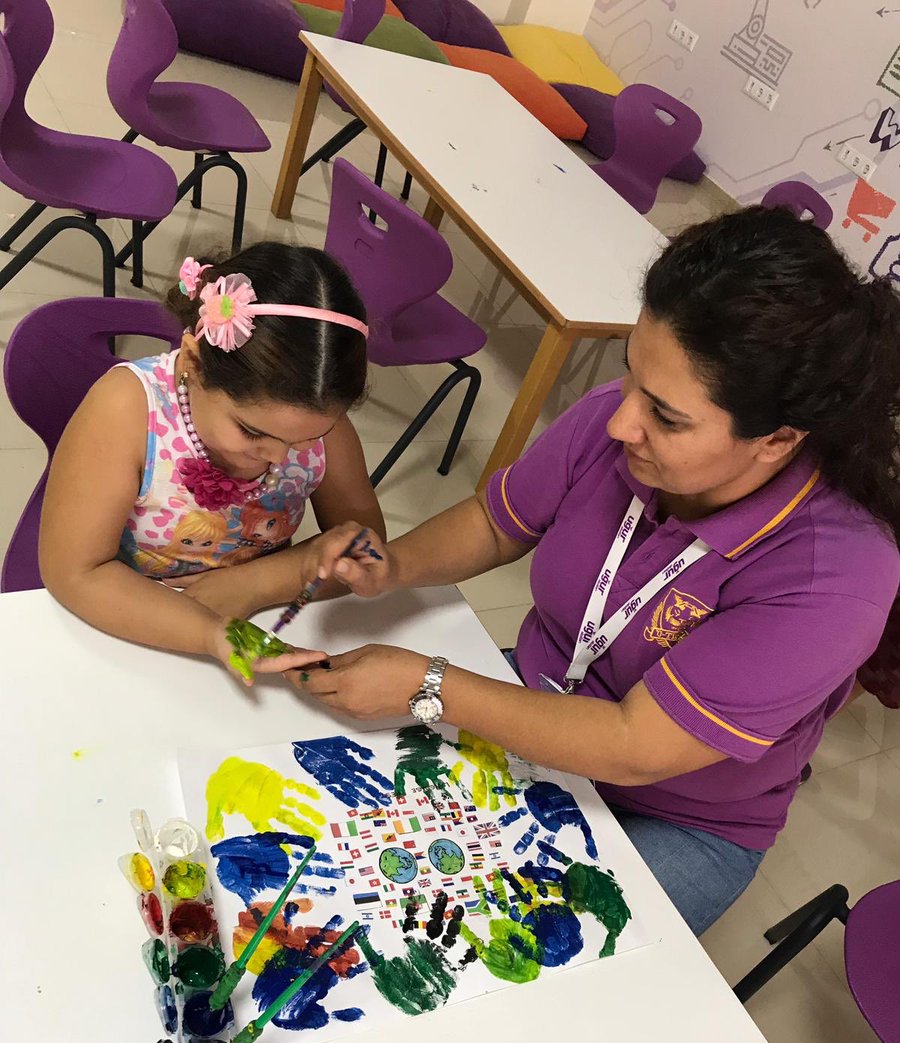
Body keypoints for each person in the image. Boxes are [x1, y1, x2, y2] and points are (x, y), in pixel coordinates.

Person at [264, 207, 900, 935]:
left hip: (673, 814)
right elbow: (496, 523)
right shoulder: (617, 424)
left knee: (491, 949)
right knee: (351, 861)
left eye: (666, 416)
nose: (622, 422)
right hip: (530, 697)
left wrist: (429, 684)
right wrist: (397, 563)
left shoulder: (835, 576)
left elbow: (633, 746)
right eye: (630, 374)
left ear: (778, 439)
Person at [40, 242, 384, 677]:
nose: (279, 456)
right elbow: (77, 571)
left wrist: (255, 583)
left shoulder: (325, 430)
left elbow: (365, 547)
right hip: (131, 616)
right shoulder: (128, 410)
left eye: (306, 439)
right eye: (253, 432)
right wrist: (209, 632)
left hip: (259, 612)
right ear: (193, 362)